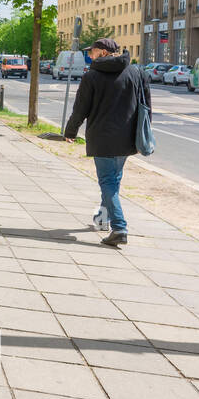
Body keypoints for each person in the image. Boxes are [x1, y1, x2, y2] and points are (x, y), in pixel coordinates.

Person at [63, 38, 150, 247]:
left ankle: (119, 228)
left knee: (108, 182)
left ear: (102, 52)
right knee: (114, 179)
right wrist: (144, 133)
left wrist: (70, 131)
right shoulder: (137, 73)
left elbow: (80, 109)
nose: (89, 55)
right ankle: (103, 220)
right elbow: (146, 105)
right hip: (128, 138)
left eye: (91, 52)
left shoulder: (91, 76)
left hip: (103, 139)